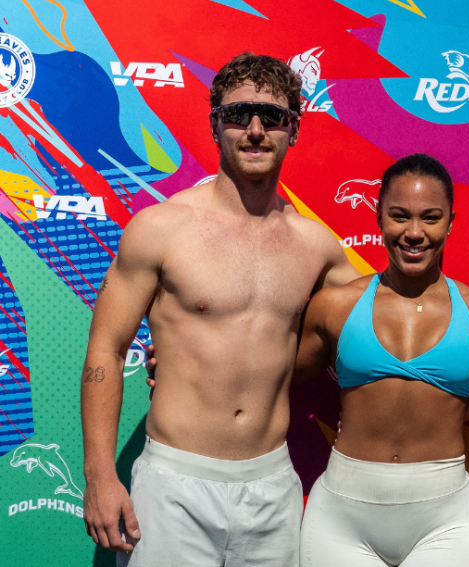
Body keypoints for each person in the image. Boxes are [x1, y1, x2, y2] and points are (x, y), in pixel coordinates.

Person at [80, 52, 359, 566]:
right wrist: (100, 474)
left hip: (272, 487)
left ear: (292, 129)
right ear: (215, 126)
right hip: (173, 485)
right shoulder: (162, 228)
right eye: (238, 115)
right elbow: (107, 348)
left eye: (271, 116)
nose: (255, 129)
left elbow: (387, 310)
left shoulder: (316, 247)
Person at [294, 154, 469, 567]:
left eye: (431, 218)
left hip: (446, 517)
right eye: (399, 216)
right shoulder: (335, 306)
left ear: (451, 222)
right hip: (343, 516)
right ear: (379, 216)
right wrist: (173, 362)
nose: (414, 233)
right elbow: (265, 379)